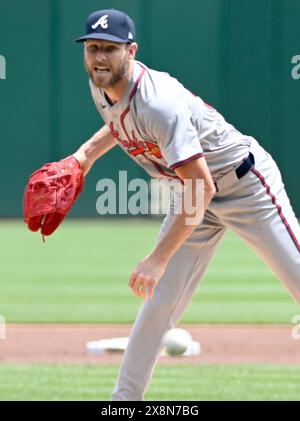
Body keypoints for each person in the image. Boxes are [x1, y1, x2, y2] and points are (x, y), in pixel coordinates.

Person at [72, 9, 300, 400]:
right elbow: (120, 124)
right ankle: (123, 403)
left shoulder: (160, 103)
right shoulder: (101, 86)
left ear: (131, 51)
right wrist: (84, 156)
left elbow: (202, 186)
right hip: (194, 192)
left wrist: (158, 258)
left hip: (246, 187)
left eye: (110, 48)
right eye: (93, 47)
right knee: (159, 305)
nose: (99, 57)